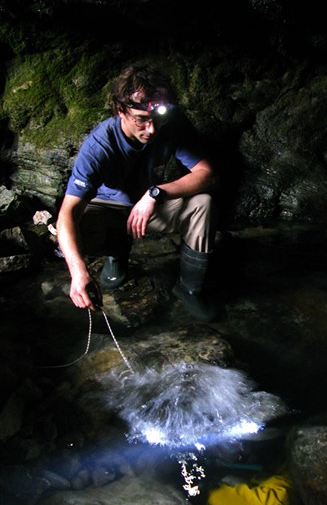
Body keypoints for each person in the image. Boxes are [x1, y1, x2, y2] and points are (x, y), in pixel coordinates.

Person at [56, 64, 219, 322]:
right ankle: (117, 253)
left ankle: (189, 289)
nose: (152, 130)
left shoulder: (173, 125)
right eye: (142, 120)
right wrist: (78, 272)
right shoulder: (99, 145)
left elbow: (207, 174)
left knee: (202, 203)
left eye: (158, 120)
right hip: (108, 209)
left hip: (149, 206)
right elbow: (67, 213)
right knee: (71, 233)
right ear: (121, 111)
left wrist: (155, 193)